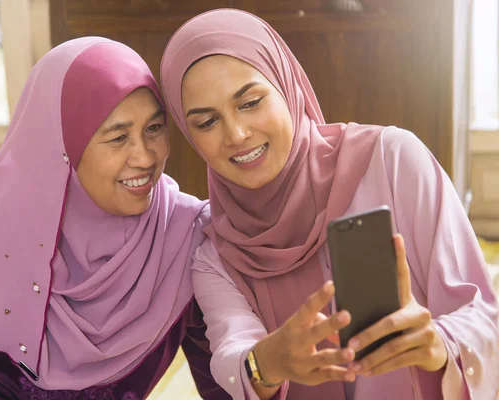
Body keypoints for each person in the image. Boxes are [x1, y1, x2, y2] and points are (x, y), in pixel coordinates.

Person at [159, 8, 499, 400]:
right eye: (206, 122)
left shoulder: (392, 161)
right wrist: (267, 361)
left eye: (250, 102)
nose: (236, 134)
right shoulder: (214, 252)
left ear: (287, 86)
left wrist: (439, 343)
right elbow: (233, 353)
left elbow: (483, 316)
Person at [0, 37, 230, 400]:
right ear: (62, 147)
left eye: (153, 129)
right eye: (118, 137)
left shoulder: (183, 234)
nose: (146, 157)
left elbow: (226, 373)